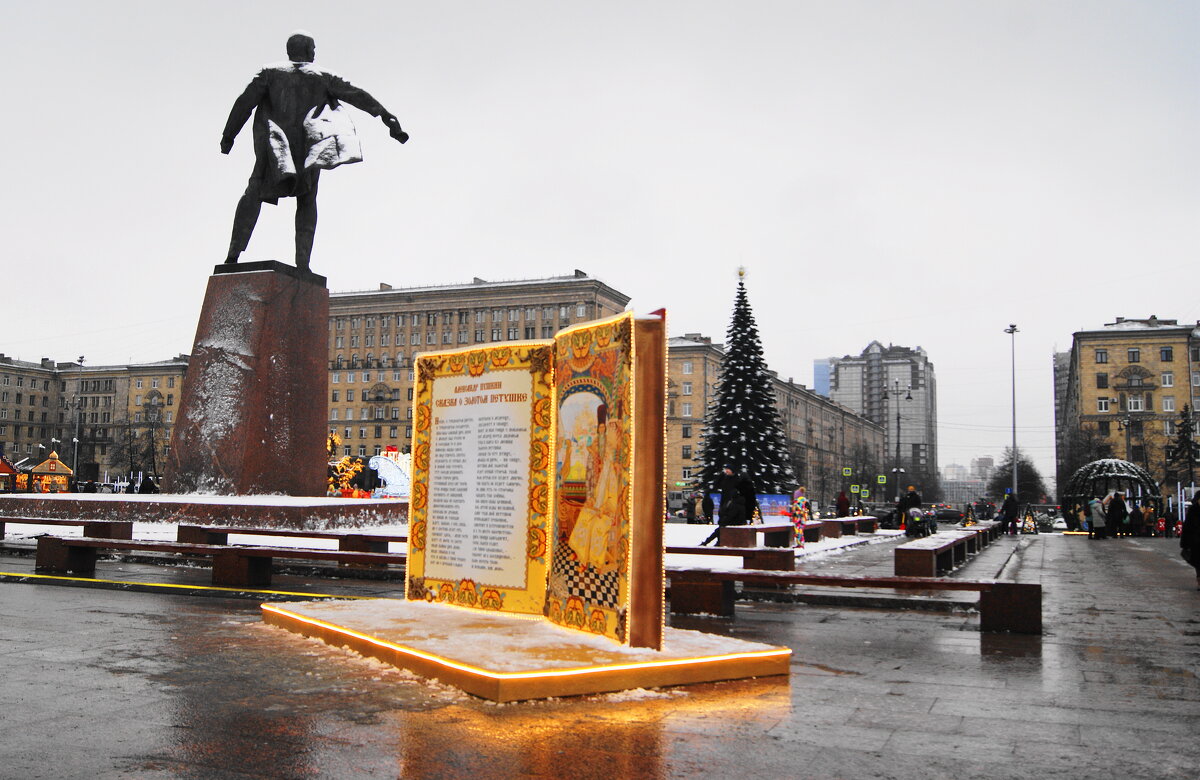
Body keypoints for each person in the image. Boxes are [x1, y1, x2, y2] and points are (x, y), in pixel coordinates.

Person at [221, 32, 408, 270]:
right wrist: (384, 115)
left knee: (254, 192)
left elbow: (244, 103)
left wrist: (229, 135)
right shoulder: (321, 77)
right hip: (306, 147)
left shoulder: (269, 73)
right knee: (306, 200)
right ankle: (303, 264)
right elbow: (356, 95)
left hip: (275, 147)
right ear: (310, 52)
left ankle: (233, 254)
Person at [699, 467, 745, 546]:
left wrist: (723, 520)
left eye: (728, 469)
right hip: (725, 504)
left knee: (721, 527)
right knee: (721, 526)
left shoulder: (736, 480)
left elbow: (732, 516)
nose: (726, 471)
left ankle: (710, 542)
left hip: (732, 517)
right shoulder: (724, 478)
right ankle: (715, 541)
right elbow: (716, 484)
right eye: (726, 469)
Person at [1181, 493, 1200, 590]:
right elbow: (1187, 527)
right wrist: (1185, 543)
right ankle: (1199, 580)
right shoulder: (1193, 511)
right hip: (1196, 542)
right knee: (1198, 563)